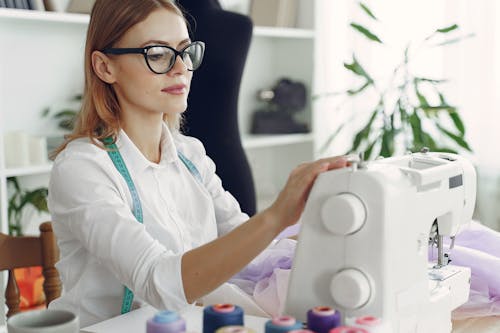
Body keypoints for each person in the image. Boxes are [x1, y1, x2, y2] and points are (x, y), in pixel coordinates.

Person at [47, 0, 348, 327]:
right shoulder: (83, 168)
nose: (180, 69)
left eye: (185, 51)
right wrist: (276, 216)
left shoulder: (190, 155)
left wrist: (325, 236)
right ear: (105, 67)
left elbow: (246, 249)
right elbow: (158, 283)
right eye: (157, 54)